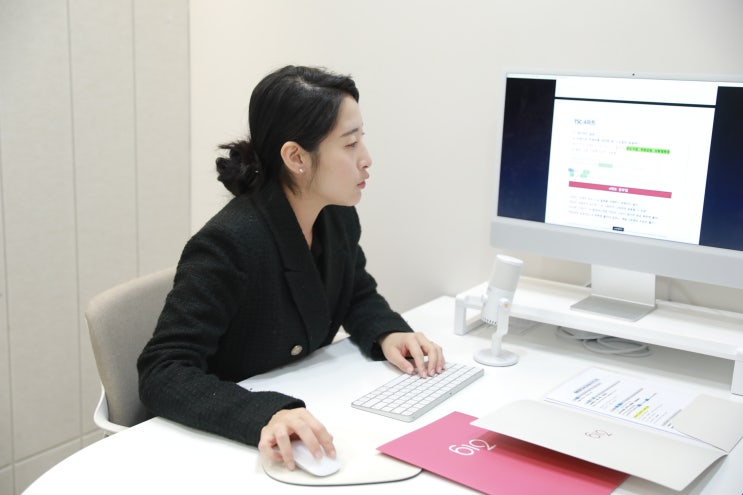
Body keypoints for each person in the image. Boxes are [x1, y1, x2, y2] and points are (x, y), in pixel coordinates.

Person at [137, 65, 445, 471]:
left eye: (362, 140)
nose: (366, 159)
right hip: (223, 447)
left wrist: (388, 331)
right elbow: (163, 371)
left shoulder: (335, 215)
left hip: (311, 400)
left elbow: (353, 290)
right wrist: (265, 414)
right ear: (296, 157)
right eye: (350, 144)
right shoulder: (229, 243)